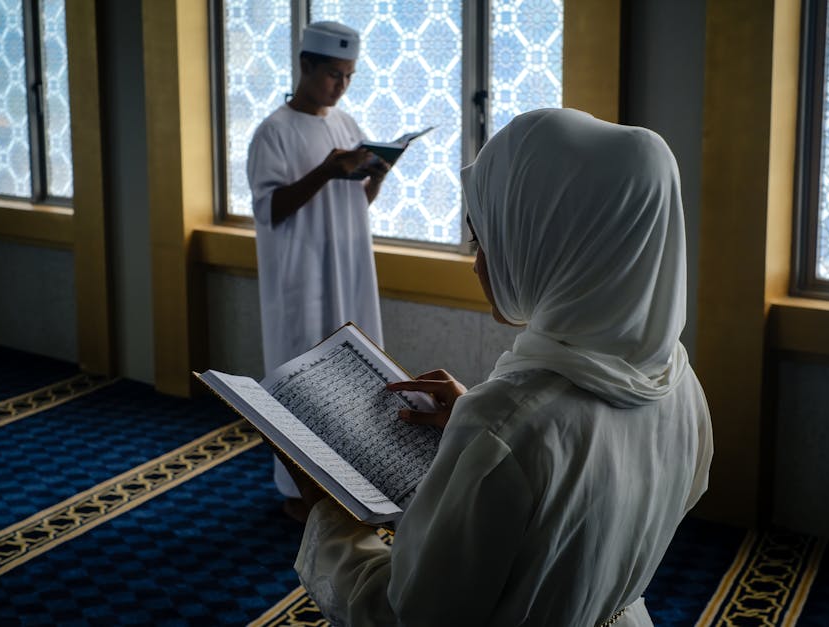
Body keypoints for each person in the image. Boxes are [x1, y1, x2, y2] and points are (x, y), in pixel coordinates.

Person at [281, 109, 714, 626]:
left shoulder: (507, 426)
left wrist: (328, 518)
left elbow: (405, 617)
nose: (476, 261)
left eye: (484, 238)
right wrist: (479, 431)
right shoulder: (679, 384)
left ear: (552, 243)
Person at [247, 21, 388, 503]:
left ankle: (350, 481)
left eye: (349, 76)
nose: (342, 86)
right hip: (300, 278)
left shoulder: (345, 125)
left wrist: (378, 177)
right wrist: (327, 170)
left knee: (352, 379)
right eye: (333, 74)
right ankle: (297, 491)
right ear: (305, 65)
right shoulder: (273, 133)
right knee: (301, 382)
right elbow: (271, 209)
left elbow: (348, 207)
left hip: (347, 271)